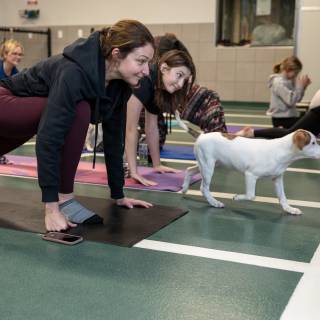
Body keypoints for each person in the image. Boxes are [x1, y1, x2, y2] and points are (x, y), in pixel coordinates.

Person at [0, 19, 155, 232]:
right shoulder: (73, 72)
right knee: (80, 109)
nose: (146, 71)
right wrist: (51, 209)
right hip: (4, 100)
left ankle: (65, 199)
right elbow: (49, 138)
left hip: (23, 115)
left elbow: (114, 136)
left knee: (80, 109)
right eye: (141, 61)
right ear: (116, 54)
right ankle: (64, 199)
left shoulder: (120, 85)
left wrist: (118, 194)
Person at [125, 34, 196, 186]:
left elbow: (151, 128)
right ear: (164, 68)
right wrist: (134, 171)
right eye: (179, 75)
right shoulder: (143, 80)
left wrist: (157, 164)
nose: (180, 84)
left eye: (185, 80)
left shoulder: (158, 87)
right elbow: (130, 129)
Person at [235, 89, 320, 139]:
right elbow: (290, 101)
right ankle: (250, 133)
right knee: (290, 135)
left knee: (309, 136)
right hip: (316, 110)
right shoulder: (279, 82)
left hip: (313, 108)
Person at [266, 56, 311, 129]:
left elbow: (296, 100)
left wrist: (303, 88)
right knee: (309, 122)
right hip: (281, 119)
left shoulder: (289, 81)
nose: (296, 75)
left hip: (289, 116)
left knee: (310, 118)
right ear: (288, 70)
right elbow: (290, 101)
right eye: (296, 73)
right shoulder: (278, 83)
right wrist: (300, 87)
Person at [0, 39, 24, 164]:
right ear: (5, 54)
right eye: (14, 53)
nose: (18, 57)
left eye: (20, 54)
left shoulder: (16, 74)